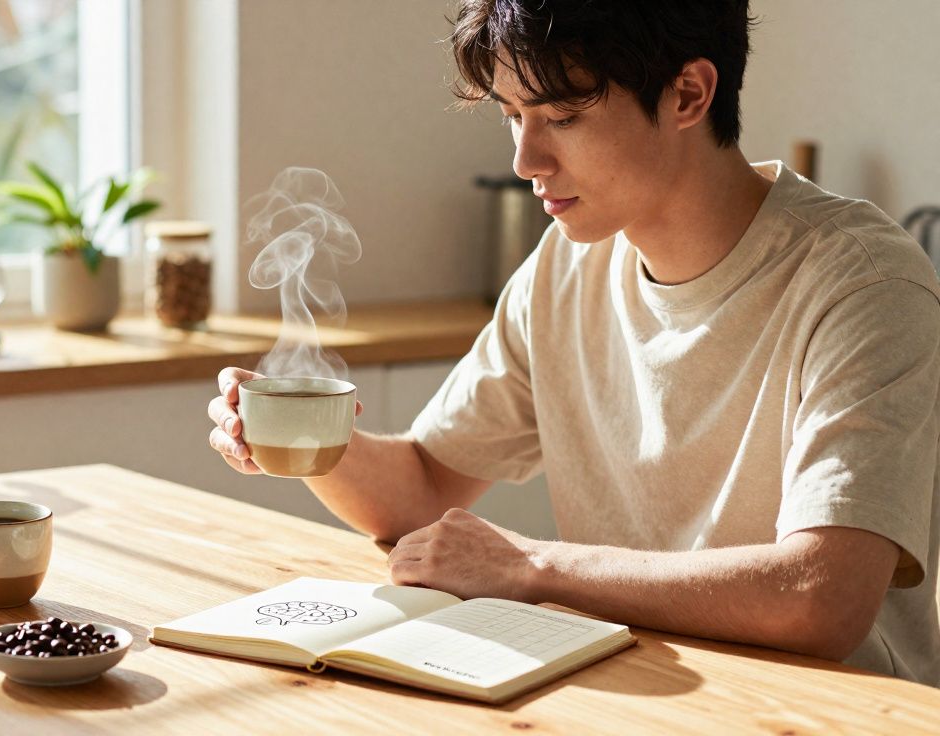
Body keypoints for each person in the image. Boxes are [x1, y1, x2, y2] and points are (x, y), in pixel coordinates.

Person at [207, 0, 939, 685]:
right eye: (513, 115)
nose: (527, 159)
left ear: (688, 95)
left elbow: (820, 597)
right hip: (629, 688)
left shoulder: (864, 283)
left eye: (561, 115)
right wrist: (297, 432)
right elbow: (425, 487)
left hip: (835, 711)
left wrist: (530, 565)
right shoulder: (565, 268)